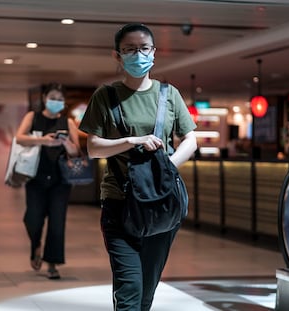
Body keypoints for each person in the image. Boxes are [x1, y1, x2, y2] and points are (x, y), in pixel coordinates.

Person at [79, 23, 197, 310]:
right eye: (129, 49)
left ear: (154, 52)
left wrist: (167, 165)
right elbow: (93, 148)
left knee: (146, 288)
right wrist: (131, 140)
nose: (138, 54)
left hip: (161, 202)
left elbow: (190, 140)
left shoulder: (169, 94)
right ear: (117, 56)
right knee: (129, 286)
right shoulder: (105, 97)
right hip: (120, 201)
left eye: (144, 48)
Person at [15, 83, 80, 279]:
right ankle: (36, 244)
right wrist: (44, 140)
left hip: (60, 180)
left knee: (57, 222)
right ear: (44, 98)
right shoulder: (32, 117)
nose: (56, 102)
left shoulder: (67, 122)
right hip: (35, 176)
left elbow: (76, 151)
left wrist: (65, 142)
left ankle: (52, 263)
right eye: (53, 98)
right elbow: (19, 138)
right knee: (33, 218)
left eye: (60, 99)